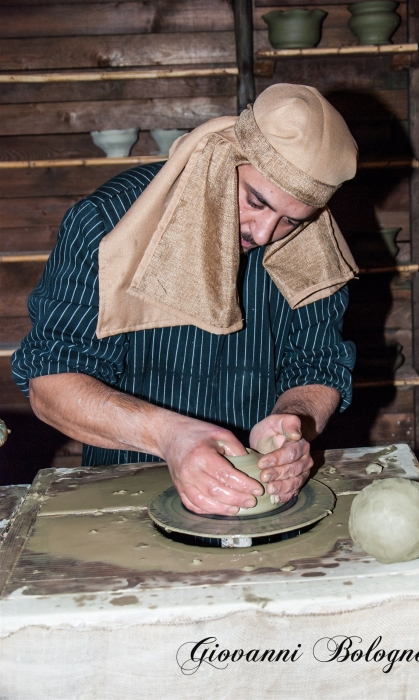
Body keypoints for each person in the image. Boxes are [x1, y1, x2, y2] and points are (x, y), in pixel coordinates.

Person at [12, 84, 358, 517]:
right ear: (223, 157)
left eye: (290, 219)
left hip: (255, 495)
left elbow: (319, 364)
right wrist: (169, 436)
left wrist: (293, 424)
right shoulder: (108, 222)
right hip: (125, 490)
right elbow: (51, 384)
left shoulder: (313, 247)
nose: (263, 233)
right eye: (255, 201)